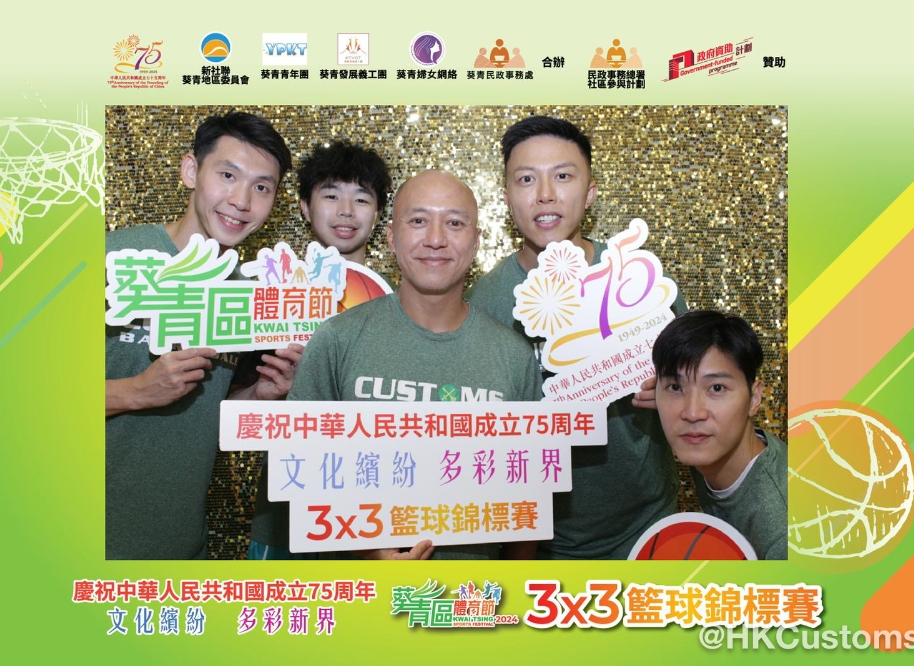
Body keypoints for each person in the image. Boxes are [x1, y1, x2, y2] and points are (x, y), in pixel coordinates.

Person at [250, 170, 542, 560]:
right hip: (356, 588)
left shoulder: (514, 356)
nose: (435, 239)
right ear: (390, 236)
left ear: (476, 241)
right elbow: (296, 474)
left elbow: (531, 495)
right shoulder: (338, 338)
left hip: (470, 588)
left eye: (455, 223)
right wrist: (365, 553)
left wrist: (510, 586)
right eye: (418, 220)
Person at [468, 115, 686, 559]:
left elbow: (699, 386)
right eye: (526, 179)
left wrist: (671, 392)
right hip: (533, 540)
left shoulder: (638, 280)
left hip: (648, 526)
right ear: (507, 197)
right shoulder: (481, 304)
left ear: (590, 192)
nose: (545, 194)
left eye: (563, 176)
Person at [105, 111, 298, 559]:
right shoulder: (112, 259)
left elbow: (212, 413)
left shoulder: (248, 295)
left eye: (262, 187)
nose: (242, 201)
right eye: (228, 175)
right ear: (191, 171)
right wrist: (135, 391)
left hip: (178, 547)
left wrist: (259, 395)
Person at [247, 140, 392, 560]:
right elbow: (232, 407)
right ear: (305, 209)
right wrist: (275, 392)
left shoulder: (399, 302)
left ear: (378, 214)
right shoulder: (270, 298)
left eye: (361, 199)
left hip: (374, 514)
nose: (346, 211)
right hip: (286, 513)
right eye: (330, 196)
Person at [652, 310, 787, 560]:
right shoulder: (716, 448)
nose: (693, 413)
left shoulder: (780, 530)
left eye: (716, 388)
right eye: (675, 387)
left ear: (754, 398)